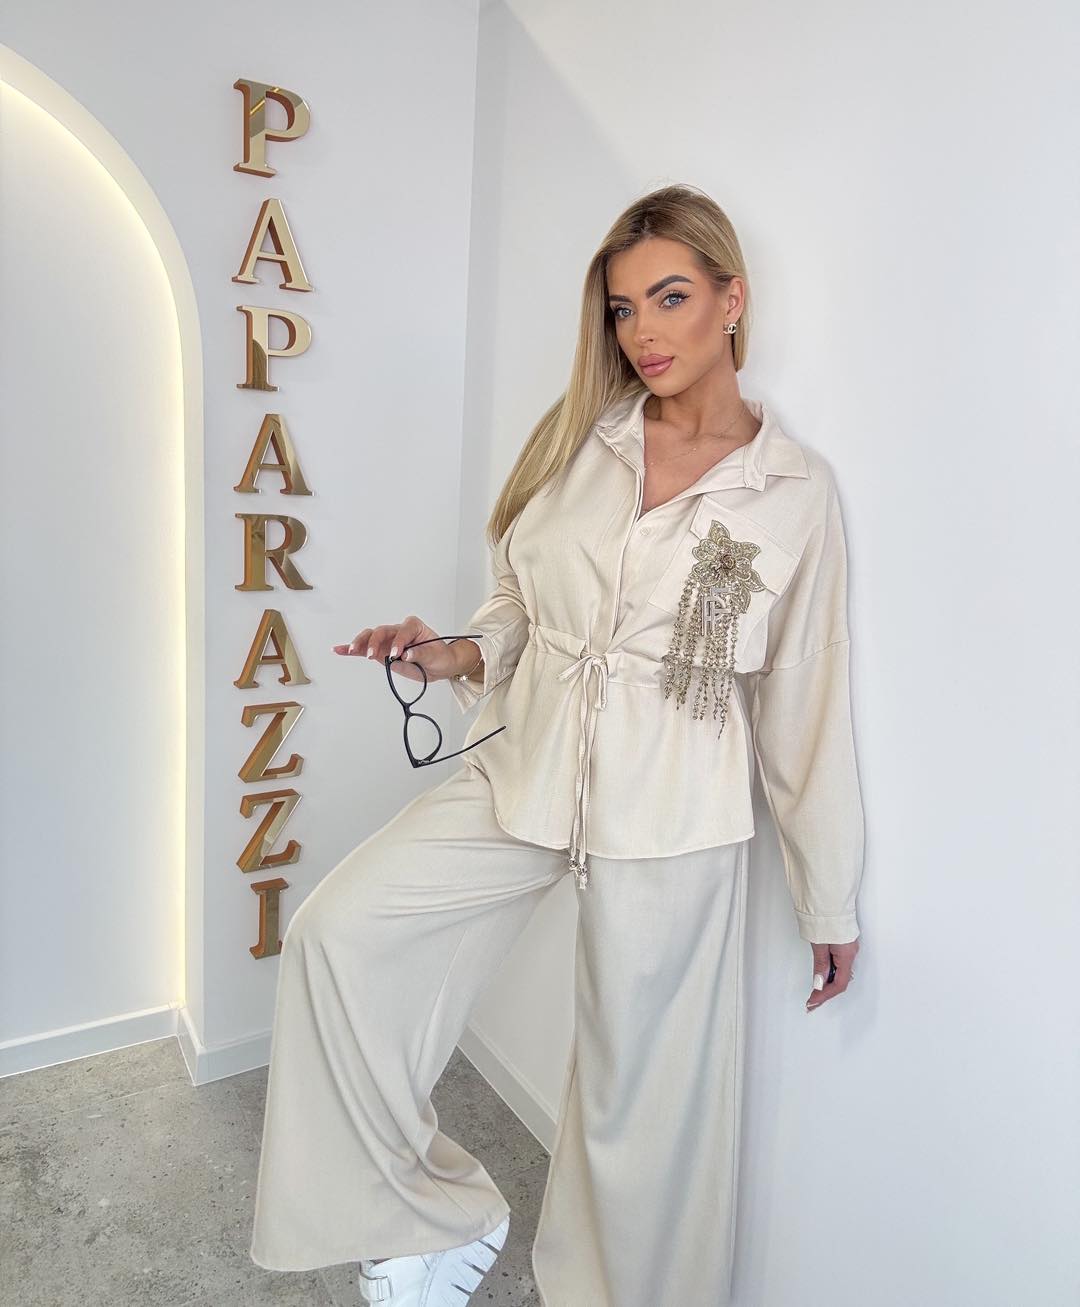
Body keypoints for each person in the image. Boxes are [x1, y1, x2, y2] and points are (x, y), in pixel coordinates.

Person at [248, 182, 865, 1307]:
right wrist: (453, 652)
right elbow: (517, 604)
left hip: (675, 812)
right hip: (523, 765)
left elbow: (803, 697)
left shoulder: (792, 492)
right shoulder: (583, 441)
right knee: (340, 934)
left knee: (643, 1104)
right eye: (624, 308)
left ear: (732, 299)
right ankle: (433, 1215)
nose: (644, 332)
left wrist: (828, 896)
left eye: (669, 297)